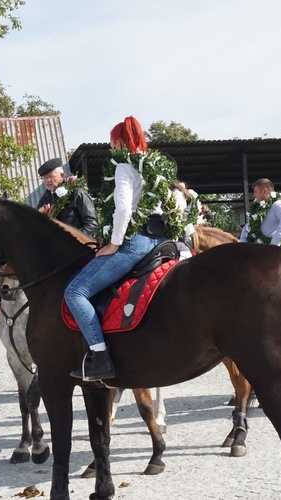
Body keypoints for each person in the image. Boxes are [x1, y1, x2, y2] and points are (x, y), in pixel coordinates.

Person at [64, 116, 180, 381]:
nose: (111, 148)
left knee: (75, 292)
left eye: (111, 143)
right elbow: (176, 204)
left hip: (134, 242)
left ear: (118, 142)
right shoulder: (156, 166)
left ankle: (99, 355)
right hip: (161, 242)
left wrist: (115, 242)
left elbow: (124, 208)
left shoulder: (124, 167)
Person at [36, 158, 98, 238]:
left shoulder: (77, 193)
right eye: (44, 177)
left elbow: (91, 223)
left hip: (77, 246)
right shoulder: (45, 199)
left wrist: (73, 239)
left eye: (50, 176)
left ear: (62, 175)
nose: (47, 180)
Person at [239, 178, 281, 246]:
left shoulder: (278, 204)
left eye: (255, 191)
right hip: (260, 252)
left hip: (278, 252)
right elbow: (247, 227)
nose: (254, 195)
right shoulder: (257, 209)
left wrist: (274, 244)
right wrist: (242, 245)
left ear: (265, 191)